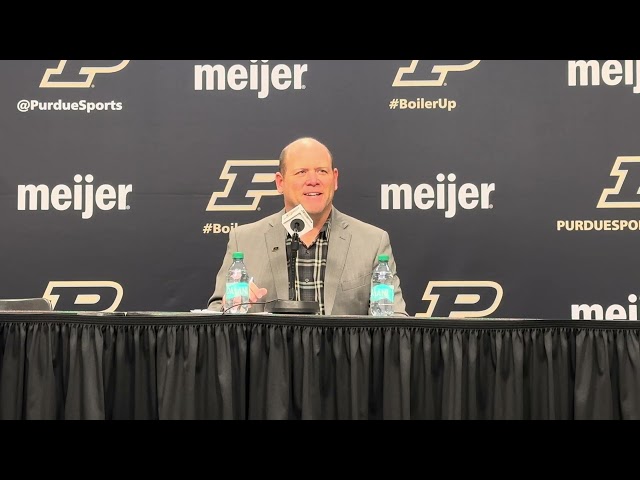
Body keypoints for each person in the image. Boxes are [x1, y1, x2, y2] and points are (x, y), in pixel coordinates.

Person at [207, 137, 408, 316]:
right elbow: (217, 312)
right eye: (301, 172)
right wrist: (231, 305)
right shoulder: (244, 240)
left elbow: (395, 319)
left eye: (321, 171)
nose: (313, 181)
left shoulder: (373, 241)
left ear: (335, 179)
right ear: (280, 182)